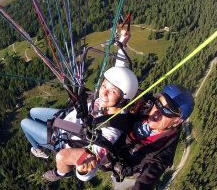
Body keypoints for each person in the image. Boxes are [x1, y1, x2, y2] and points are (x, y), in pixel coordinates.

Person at [20, 30, 138, 181]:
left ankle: (53, 165)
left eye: (112, 91)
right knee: (33, 111)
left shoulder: (113, 128)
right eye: (103, 86)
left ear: (123, 98)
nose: (104, 92)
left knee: (24, 123)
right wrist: (122, 44)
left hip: (63, 139)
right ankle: (38, 148)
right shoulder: (112, 102)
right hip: (67, 119)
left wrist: (82, 172)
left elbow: (94, 157)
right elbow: (119, 74)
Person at [88, 83, 195, 190]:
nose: (157, 112)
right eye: (159, 104)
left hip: (114, 158)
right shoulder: (144, 104)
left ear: (178, 121)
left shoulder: (163, 153)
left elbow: (143, 188)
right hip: (102, 131)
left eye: (168, 112)